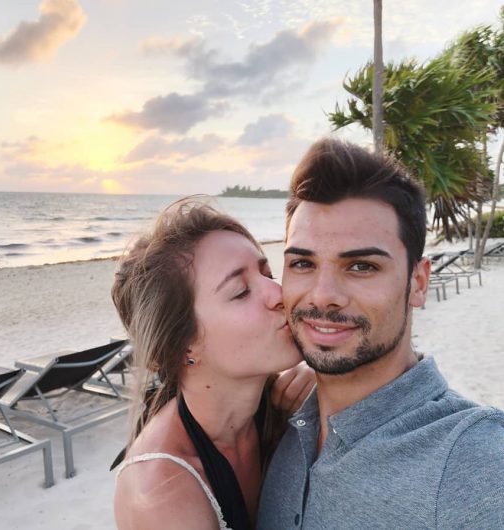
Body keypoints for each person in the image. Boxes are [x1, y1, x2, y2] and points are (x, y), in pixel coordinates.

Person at [257, 138, 504, 529]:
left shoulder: (474, 461)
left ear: (418, 282)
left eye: (362, 267)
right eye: (303, 263)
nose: (323, 295)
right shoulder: (285, 423)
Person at [111, 200, 315, 530]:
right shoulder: (161, 493)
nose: (280, 294)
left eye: (268, 274)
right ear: (184, 345)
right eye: (241, 291)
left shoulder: (282, 407)